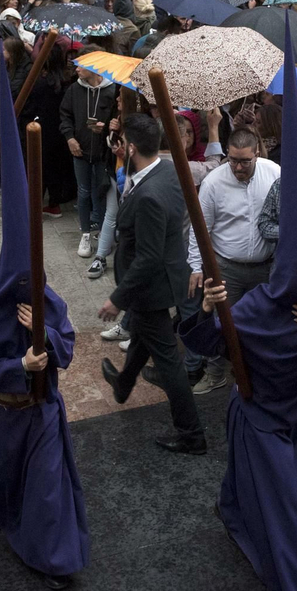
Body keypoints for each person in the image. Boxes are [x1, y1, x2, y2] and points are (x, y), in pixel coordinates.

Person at [180, 37, 297, 591]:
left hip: (289, 422)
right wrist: (205, 305)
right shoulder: (254, 307)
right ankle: (241, 523)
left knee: (288, 506)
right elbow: (207, 343)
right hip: (254, 414)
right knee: (259, 495)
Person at [0, 75, 88, 590]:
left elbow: (66, 339)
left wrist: (48, 347)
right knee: (6, 480)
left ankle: (52, 558)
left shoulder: (48, 299)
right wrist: (20, 364)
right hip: (7, 411)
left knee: (46, 489)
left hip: (42, 410)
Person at [98, 113, 206, 454]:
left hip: (150, 287)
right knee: (145, 337)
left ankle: (191, 435)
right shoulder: (168, 169)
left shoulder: (148, 195)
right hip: (162, 281)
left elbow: (147, 256)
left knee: (169, 362)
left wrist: (117, 298)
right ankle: (124, 382)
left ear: (130, 148)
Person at [188, 127, 280, 395]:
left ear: (257, 153)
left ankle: (257, 374)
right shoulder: (214, 182)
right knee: (222, 323)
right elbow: (200, 227)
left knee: (263, 325)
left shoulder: (274, 172)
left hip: (265, 267)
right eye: (233, 160)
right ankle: (215, 372)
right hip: (227, 267)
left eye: (245, 161)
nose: (238, 167)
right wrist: (195, 266)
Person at [60, 64, 118, 261]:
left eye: (81, 66)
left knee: (101, 192)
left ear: (95, 69)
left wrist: (109, 128)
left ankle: (102, 231)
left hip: (103, 152)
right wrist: (69, 137)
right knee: (83, 192)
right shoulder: (74, 90)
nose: (76, 70)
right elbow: (64, 115)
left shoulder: (112, 90)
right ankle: (85, 233)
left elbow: (117, 120)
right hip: (80, 150)